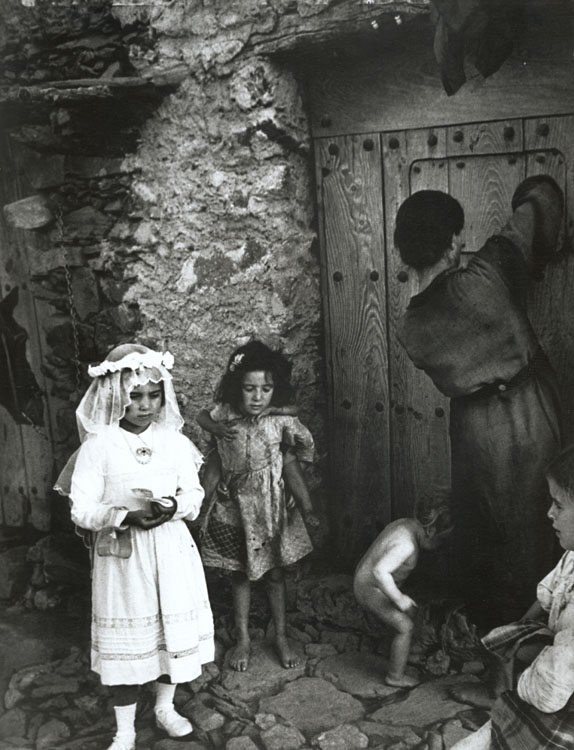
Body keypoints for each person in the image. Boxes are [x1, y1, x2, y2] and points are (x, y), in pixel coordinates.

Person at [394, 175, 564, 626]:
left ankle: (496, 620)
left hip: (474, 429)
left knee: (488, 521)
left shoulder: (409, 328)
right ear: (452, 243)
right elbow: (538, 207)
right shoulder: (488, 273)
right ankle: (547, 621)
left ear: (403, 252)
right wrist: (532, 187)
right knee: (546, 512)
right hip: (531, 410)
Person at [54, 343, 215, 750]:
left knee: (169, 633)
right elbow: (82, 508)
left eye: (153, 395)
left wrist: (173, 505)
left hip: (170, 548)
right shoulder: (99, 445)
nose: (145, 405)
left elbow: (193, 493)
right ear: (115, 395)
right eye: (135, 396)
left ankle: (164, 707)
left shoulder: (174, 442)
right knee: (127, 644)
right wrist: (123, 516)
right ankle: (124, 729)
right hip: (124, 554)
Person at [197, 340, 319, 672]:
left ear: (274, 390)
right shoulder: (226, 415)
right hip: (235, 506)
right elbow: (203, 420)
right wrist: (216, 432)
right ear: (238, 389)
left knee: (276, 574)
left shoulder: (279, 421)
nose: (257, 396)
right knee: (241, 574)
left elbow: (305, 445)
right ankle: (243, 640)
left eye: (265, 389)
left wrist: (294, 480)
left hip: (270, 508)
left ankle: (280, 636)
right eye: (249, 389)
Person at [450, 445, 574, 750]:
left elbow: (550, 691)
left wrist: (520, 683)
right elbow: (548, 595)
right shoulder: (571, 558)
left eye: (558, 504)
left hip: (560, 701)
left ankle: (502, 705)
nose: (549, 513)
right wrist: (520, 631)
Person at [353, 500, 453, 687]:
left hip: (367, 581)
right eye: (439, 542)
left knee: (407, 619)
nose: (438, 547)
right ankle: (395, 676)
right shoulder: (406, 545)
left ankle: (403, 652)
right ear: (430, 532)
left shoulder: (405, 524)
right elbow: (379, 571)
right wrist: (400, 599)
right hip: (369, 588)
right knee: (405, 626)